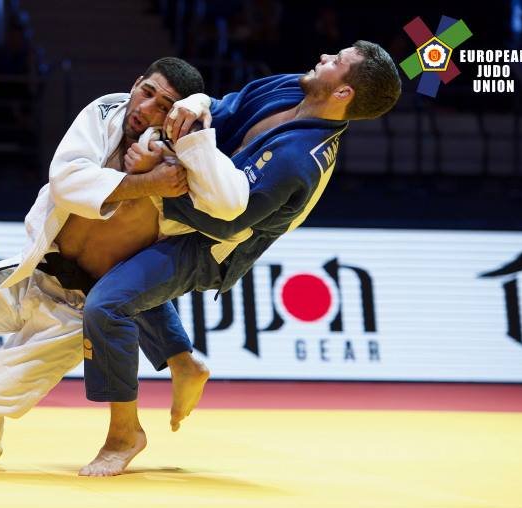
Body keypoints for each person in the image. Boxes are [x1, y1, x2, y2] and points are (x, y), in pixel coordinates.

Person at [0, 57, 249, 467]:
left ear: (176, 114)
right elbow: (67, 182)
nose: (146, 109)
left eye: (164, 106)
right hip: (33, 271)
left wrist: (197, 130)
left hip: (76, 311)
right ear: (136, 83)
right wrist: (147, 183)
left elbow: (231, 205)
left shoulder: (184, 160)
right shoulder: (106, 111)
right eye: (146, 93)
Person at [79, 41, 402, 476]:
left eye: (337, 62)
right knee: (106, 263)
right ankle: (183, 362)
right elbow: (227, 107)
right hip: (192, 197)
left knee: (106, 304)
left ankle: (124, 436)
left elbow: (225, 222)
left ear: (344, 93)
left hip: (212, 246)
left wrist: (155, 179)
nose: (324, 57)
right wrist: (199, 103)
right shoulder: (293, 87)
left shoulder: (299, 161)